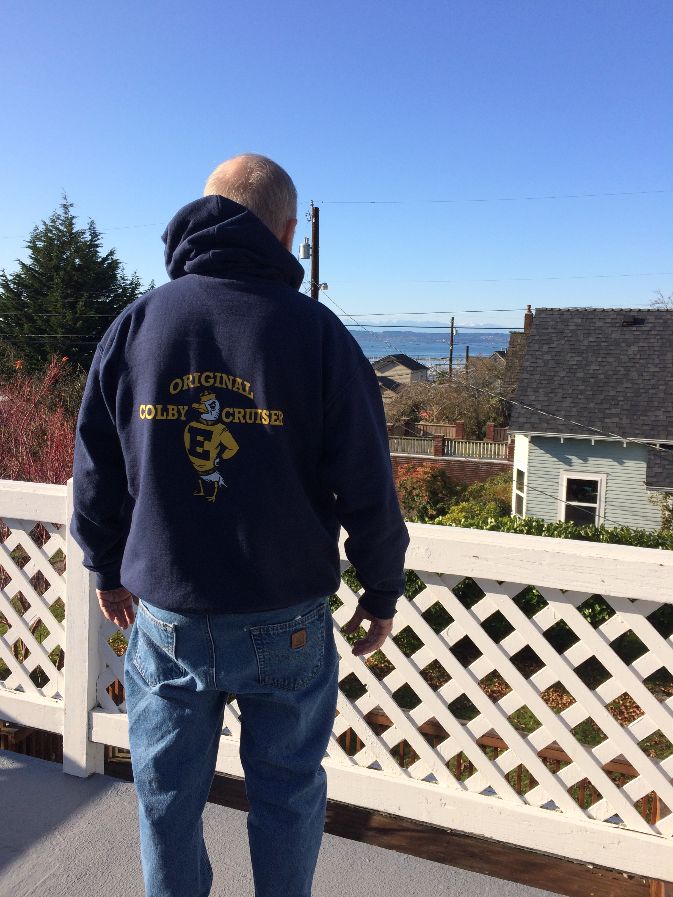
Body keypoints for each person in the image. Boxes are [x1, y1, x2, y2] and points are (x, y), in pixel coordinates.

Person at [70, 153, 410, 897]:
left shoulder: (138, 325)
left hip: (169, 617)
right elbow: (368, 481)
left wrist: (104, 564)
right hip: (286, 617)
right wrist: (381, 589)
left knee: (165, 797)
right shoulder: (317, 333)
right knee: (287, 793)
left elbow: (96, 467)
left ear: (201, 216)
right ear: (287, 233)